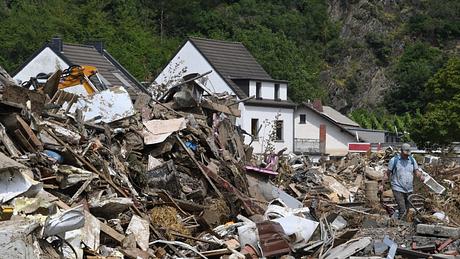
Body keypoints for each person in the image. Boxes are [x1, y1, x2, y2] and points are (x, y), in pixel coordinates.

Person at [379, 143, 424, 220]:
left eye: (408, 154)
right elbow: (387, 174)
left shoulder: (412, 160)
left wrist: (421, 176)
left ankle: (403, 224)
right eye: (405, 154)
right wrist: (381, 185)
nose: (407, 155)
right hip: (397, 187)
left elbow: (416, 171)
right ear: (401, 151)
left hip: (409, 188)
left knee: (407, 210)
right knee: (402, 209)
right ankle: (400, 226)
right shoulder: (394, 160)